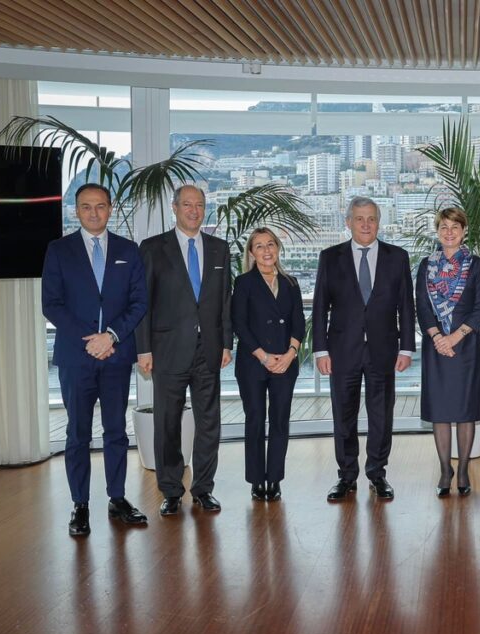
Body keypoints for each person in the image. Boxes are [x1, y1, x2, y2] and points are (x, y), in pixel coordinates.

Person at [42, 183, 148, 536]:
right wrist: (89, 341)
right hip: (77, 356)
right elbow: (51, 304)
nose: (93, 213)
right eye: (86, 207)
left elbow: (139, 302)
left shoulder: (128, 251)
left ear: (110, 207)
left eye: (100, 206)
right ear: (76, 210)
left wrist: (111, 337)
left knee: (116, 432)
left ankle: (117, 499)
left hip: (116, 356)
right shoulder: (59, 251)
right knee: (77, 434)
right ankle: (80, 505)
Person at [136, 185, 232, 516]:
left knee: (209, 423)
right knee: (167, 423)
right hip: (167, 350)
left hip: (209, 351)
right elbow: (142, 304)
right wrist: (143, 349)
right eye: (187, 204)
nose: (194, 210)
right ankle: (172, 490)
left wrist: (228, 342)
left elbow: (225, 302)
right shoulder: (152, 248)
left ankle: (204, 489)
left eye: (200, 205)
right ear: (174, 208)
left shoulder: (220, 249)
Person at [312, 196, 416, 501]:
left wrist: (407, 348)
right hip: (342, 351)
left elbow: (406, 308)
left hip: (384, 351)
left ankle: (377, 473)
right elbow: (320, 308)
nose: (366, 224)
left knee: (381, 415)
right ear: (348, 222)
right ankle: (346, 476)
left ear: (379, 222)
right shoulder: (329, 257)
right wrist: (320, 351)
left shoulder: (397, 257)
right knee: (343, 415)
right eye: (359, 219)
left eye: (371, 218)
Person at [416, 208, 480, 496]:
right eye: (444, 227)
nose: (449, 232)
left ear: (464, 231)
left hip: (465, 347)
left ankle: (462, 472)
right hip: (436, 349)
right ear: (438, 231)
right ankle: (445, 468)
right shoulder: (426, 265)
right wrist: (437, 337)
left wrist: (456, 337)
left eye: (455, 227)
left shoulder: (476, 265)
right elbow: (421, 304)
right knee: (441, 412)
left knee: (464, 412)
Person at [231, 227, 305, 502]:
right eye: (259, 246)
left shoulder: (291, 283)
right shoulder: (244, 282)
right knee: (254, 420)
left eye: (270, 244)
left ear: (278, 248)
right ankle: (256, 480)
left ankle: (273, 479)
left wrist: (290, 354)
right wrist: (263, 356)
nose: (266, 251)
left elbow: (299, 322)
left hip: (285, 364)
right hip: (253, 363)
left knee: (279, 422)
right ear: (251, 253)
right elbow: (239, 323)